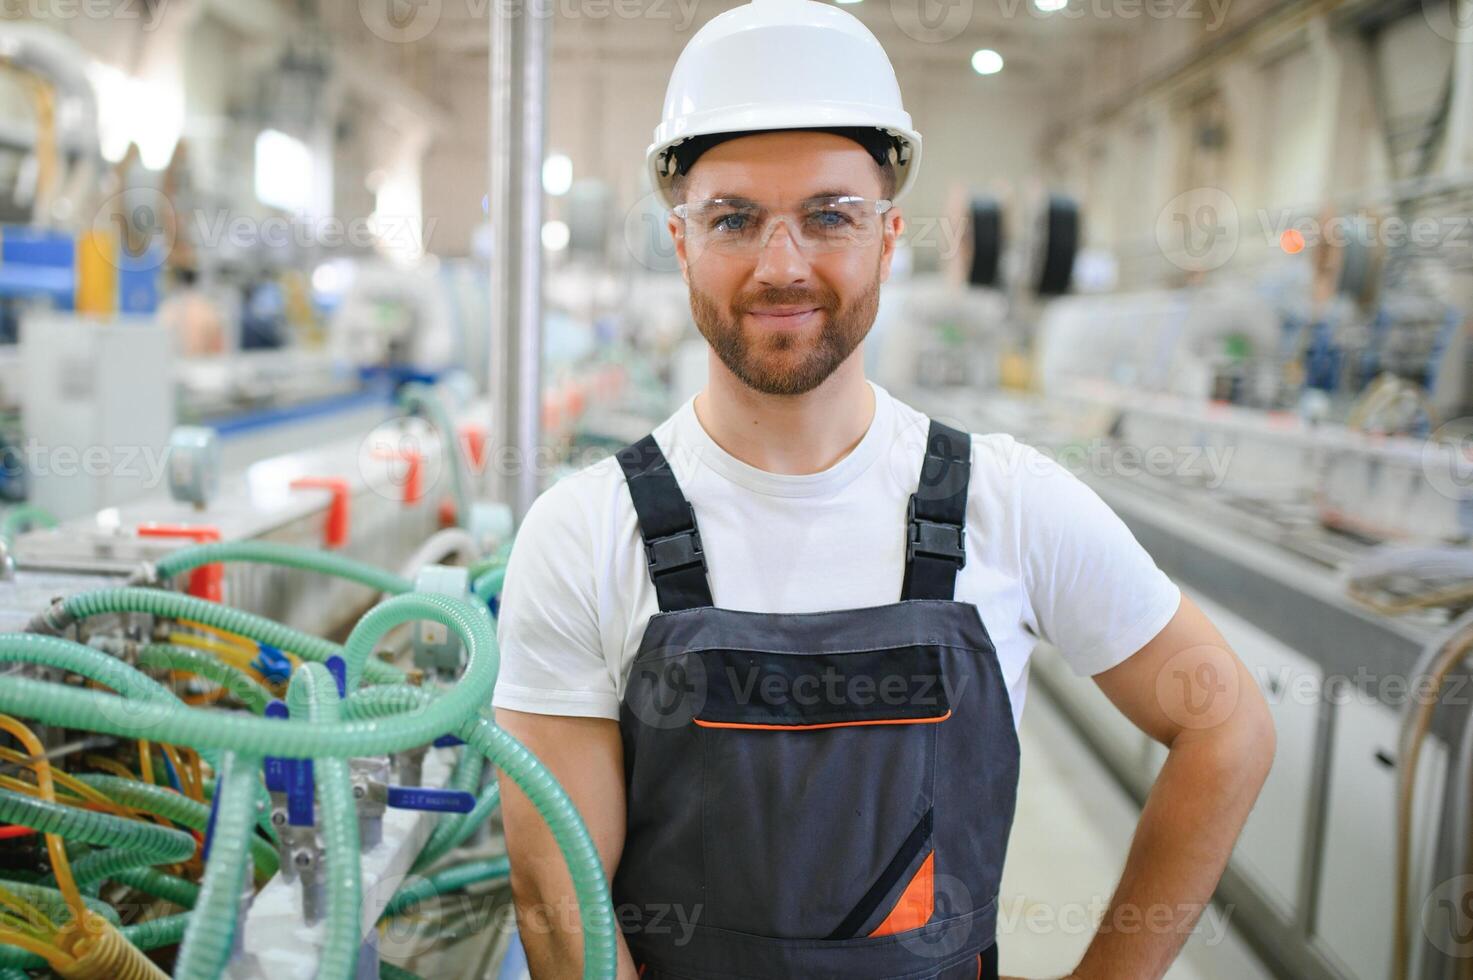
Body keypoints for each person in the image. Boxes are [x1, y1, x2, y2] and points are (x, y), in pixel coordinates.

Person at [492, 2, 1275, 977]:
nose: (784, 265)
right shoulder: (585, 532)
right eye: (734, 217)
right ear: (680, 239)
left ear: (890, 236)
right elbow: (556, 902)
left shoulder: (1009, 499)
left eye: (830, 214)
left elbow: (1225, 720)